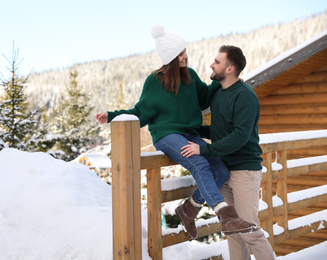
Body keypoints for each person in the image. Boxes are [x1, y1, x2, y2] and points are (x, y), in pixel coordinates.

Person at [96, 26, 257, 239]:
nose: (185, 57)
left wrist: (229, 83)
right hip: (166, 135)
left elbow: (204, 98)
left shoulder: (189, 76)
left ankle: (189, 208)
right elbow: (140, 113)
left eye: (185, 52)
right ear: (171, 57)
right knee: (199, 161)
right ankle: (227, 216)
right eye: (181, 54)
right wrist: (112, 116)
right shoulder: (154, 82)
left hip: (189, 133)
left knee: (221, 171)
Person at [181, 45, 276, 259]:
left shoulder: (245, 96)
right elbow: (220, 130)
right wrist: (192, 129)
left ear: (230, 69)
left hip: (244, 171)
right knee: (233, 231)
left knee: (250, 231)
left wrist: (203, 149)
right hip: (224, 170)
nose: (211, 65)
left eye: (217, 62)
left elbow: (239, 136)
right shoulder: (218, 91)